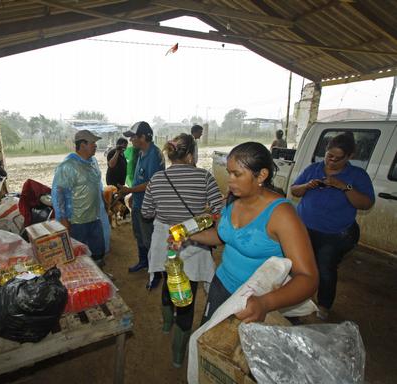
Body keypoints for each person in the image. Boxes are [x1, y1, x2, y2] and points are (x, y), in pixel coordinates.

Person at [189, 142, 318, 327]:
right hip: (221, 284)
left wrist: (265, 303)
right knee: (208, 335)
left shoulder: (281, 215)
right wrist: (189, 236)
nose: (230, 180)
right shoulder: (233, 201)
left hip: (255, 298)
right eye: (229, 173)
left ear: (262, 175)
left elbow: (308, 278)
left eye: (237, 174)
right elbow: (221, 236)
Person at [141, 133, 223, 368]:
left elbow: (146, 213)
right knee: (187, 298)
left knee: (169, 282)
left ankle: (167, 325)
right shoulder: (204, 177)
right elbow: (219, 208)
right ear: (190, 155)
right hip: (194, 245)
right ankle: (178, 355)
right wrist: (204, 215)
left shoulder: (157, 179)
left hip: (165, 245)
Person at [290, 133, 374, 320]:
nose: (331, 161)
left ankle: (324, 305)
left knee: (325, 267)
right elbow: (294, 190)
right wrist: (306, 186)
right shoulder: (314, 168)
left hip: (334, 234)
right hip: (305, 229)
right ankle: (298, 299)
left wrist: (344, 187)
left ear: (350, 156)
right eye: (329, 156)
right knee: (300, 264)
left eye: (338, 158)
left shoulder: (357, 175)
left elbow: (366, 204)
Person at [52, 129, 108, 266]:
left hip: (95, 217)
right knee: (79, 256)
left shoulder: (92, 162)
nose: (95, 145)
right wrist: (63, 219)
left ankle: (99, 277)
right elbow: (57, 193)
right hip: (77, 221)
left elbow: (97, 184)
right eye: (92, 143)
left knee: (97, 251)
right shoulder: (68, 166)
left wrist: (103, 201)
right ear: (82, 145)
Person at [119, 121, 165, 280]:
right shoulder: (141, 153)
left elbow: (153, 183)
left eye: (133, 137)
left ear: (143, 137)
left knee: (149, 238)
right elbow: (140, 178)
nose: (131, 141)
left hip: (149, 206)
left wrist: (129, 190)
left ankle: (156, 269)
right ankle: (144, 261)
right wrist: (133, 195)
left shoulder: (154, 154)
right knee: (139, 234)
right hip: (139, 202)